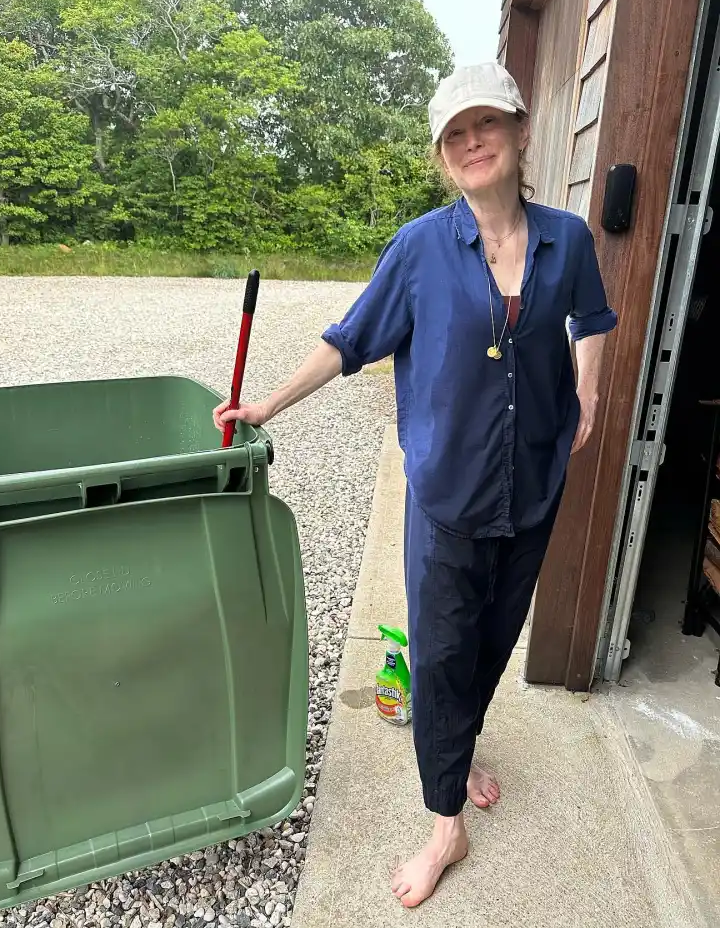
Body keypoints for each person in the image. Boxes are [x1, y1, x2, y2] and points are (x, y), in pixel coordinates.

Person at [212, 61, 618, 909]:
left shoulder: (567, 239)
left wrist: (587, 391)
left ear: (517, 131)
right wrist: (269, 403)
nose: (473, 143)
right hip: (448, 497)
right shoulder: (421, 248)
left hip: (534, 485)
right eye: (455, 134)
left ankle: (459, 752)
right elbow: (350, 339)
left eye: (486, 125)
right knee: (439, 658)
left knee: (493, 642)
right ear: (443, 155)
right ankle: (444, 824)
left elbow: (595, 319)